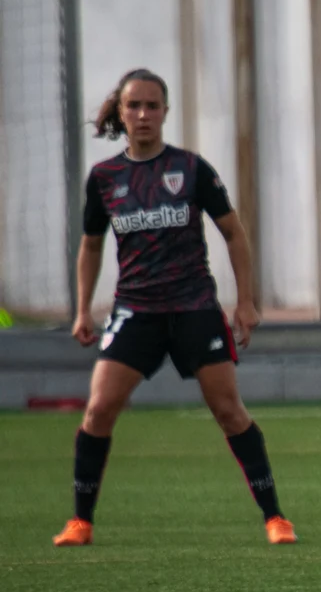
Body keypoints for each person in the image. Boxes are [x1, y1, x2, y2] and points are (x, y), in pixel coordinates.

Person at [52, 68, 296, 547]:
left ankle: (275, 518)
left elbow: (234, 233)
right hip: (135, 310)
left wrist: (245, 302)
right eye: (134, 106)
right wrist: (82, 310)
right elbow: (91, 245)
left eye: (152, 105)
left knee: (229, 410)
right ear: (121, 113)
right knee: (98, 410)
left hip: (194, 306)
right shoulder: (105, 178)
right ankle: (80, 522)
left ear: (166, 111)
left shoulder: (191, 168)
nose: (143, 114)